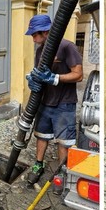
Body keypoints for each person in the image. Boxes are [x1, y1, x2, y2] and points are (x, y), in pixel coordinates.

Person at [25, 14, 83, 184]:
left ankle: (61, 171)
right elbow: (39, 73)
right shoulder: (40, 50)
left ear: (45, 31)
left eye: (35, 34)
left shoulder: (67, 47)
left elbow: (78, 75)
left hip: (64, 103)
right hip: (45, 101)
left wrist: (55, 78)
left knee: (63, 140)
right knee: (41, 135)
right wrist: (32, 80)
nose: (33, 38)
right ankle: (38, 164)